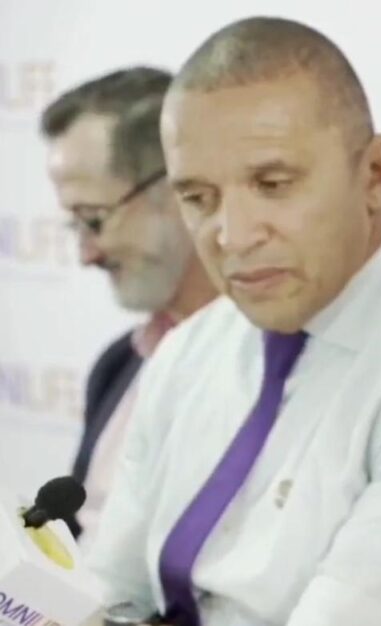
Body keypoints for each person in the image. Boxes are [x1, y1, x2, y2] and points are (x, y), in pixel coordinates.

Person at [85, 17, 381, 626]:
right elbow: (108, 595)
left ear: (375, 174)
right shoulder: (192, 348)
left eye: (272, 184)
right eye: (198, 198)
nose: (232, 235)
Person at [41, 68, 217, 540]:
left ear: (181, 190)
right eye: (74, 224)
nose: (86, 254)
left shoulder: (278, 378)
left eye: (94, 219)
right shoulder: (117, 366)